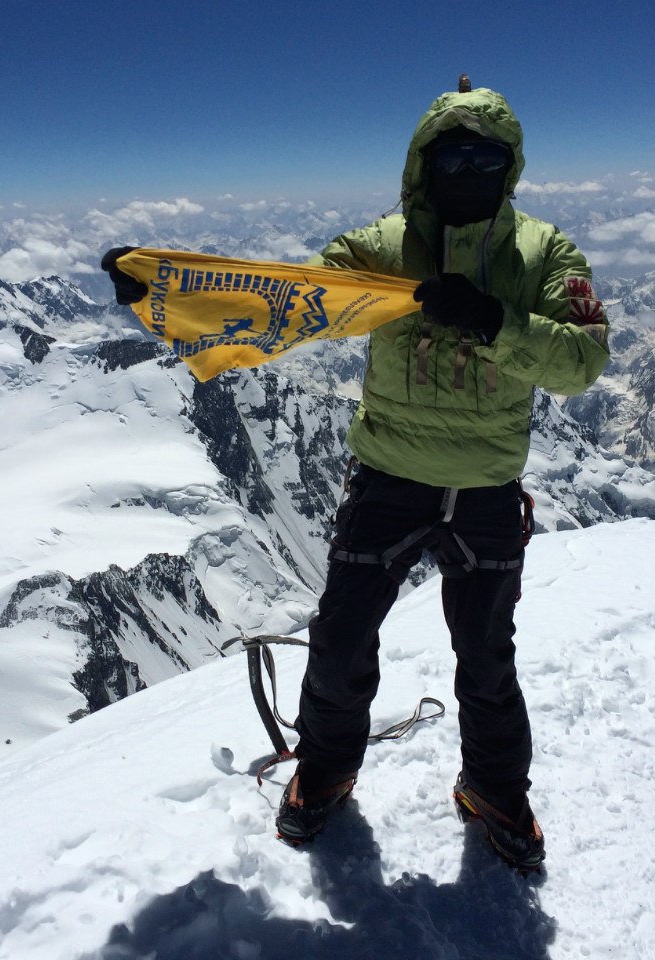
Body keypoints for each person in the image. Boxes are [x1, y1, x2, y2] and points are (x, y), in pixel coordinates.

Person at [103, 79, 609, 871]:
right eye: (454, 154)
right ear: (425, 161)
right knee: (340, 645)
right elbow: (290, 299)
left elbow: (584, 360)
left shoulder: (545, 254)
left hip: (479, 488)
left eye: (486, 156)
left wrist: (491, 319)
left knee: (485, 655)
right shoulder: (383, 246)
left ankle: (495, 787)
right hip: (392, 476)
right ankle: (332, 771)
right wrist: (174, 294)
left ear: (509, 166)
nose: (468, 168)